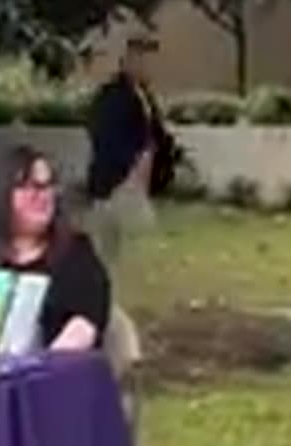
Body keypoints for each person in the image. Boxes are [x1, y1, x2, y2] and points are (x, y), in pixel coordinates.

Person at [0, 146, 112, 351]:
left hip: (52, 373)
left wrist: (38, 369)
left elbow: (85, 325)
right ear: (1, 194)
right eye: (26, 186)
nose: (40, 196)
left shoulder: (76, 254)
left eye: (46, 186)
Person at [84, 33, 179, 280]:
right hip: (117, 183)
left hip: (137, 185)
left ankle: (120, 290)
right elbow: (103, 133)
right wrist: (129, 164)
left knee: (132, 246)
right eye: (143, 59)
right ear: (129, 60)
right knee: (114, 244)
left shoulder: (144, 96)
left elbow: (154, 135)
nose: (149, 66)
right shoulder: (113, 96)